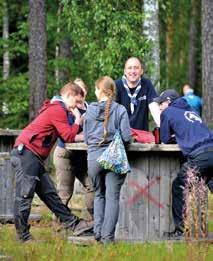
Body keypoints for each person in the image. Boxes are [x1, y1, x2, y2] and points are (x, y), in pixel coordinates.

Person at [10, 82, 93, 242]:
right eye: (75, 102)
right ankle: (23, 237)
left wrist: (83, 134)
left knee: (51, 196)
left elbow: (65, 135)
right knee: (25, 195)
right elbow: (68, 136)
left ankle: (75, 225)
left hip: (33, 156)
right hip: (26, 153)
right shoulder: (57, 109)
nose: (76, 106)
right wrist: (77, 120)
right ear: (68, 95)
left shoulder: (57, 108)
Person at [154, 89, 213, 239]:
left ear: (168, 102)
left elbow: (165, 138)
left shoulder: (167, 112)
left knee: (179, 186)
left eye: (161, 103)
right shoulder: (191, 110)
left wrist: (175, 136)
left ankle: (181, 231)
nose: (159, 107)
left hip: (199, 156)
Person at [83, 76, 131, 244]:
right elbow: (126, 137)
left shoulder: (89, 110)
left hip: (94, 158)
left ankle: (97, 232)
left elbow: (87, 139)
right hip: (113, 158)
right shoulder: (120, 110)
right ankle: (107, 239)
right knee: (112, 197)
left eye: (96, 89)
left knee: (99, 194)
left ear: (100, 91)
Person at [53, 78, 94, 221]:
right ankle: (58, 226)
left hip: (81, 155)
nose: (79, 94)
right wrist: (84, 134)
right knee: (65, 192)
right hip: (65, 154)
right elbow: (68, 136)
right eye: (76, 91)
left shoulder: (91, 108)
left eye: (81, 90)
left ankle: (89, 222)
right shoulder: (66, 109)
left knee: (92, 185)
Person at [115, 57, 160, 130]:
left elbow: (154, 109)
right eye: (129, 68)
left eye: (136, 68)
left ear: (141, 71)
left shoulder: (147, 84)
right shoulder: (117, 85)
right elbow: (111, 112)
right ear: (125, 71)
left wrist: (163, 128)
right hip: (121, 136)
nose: (133, 71)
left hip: (142, 136)